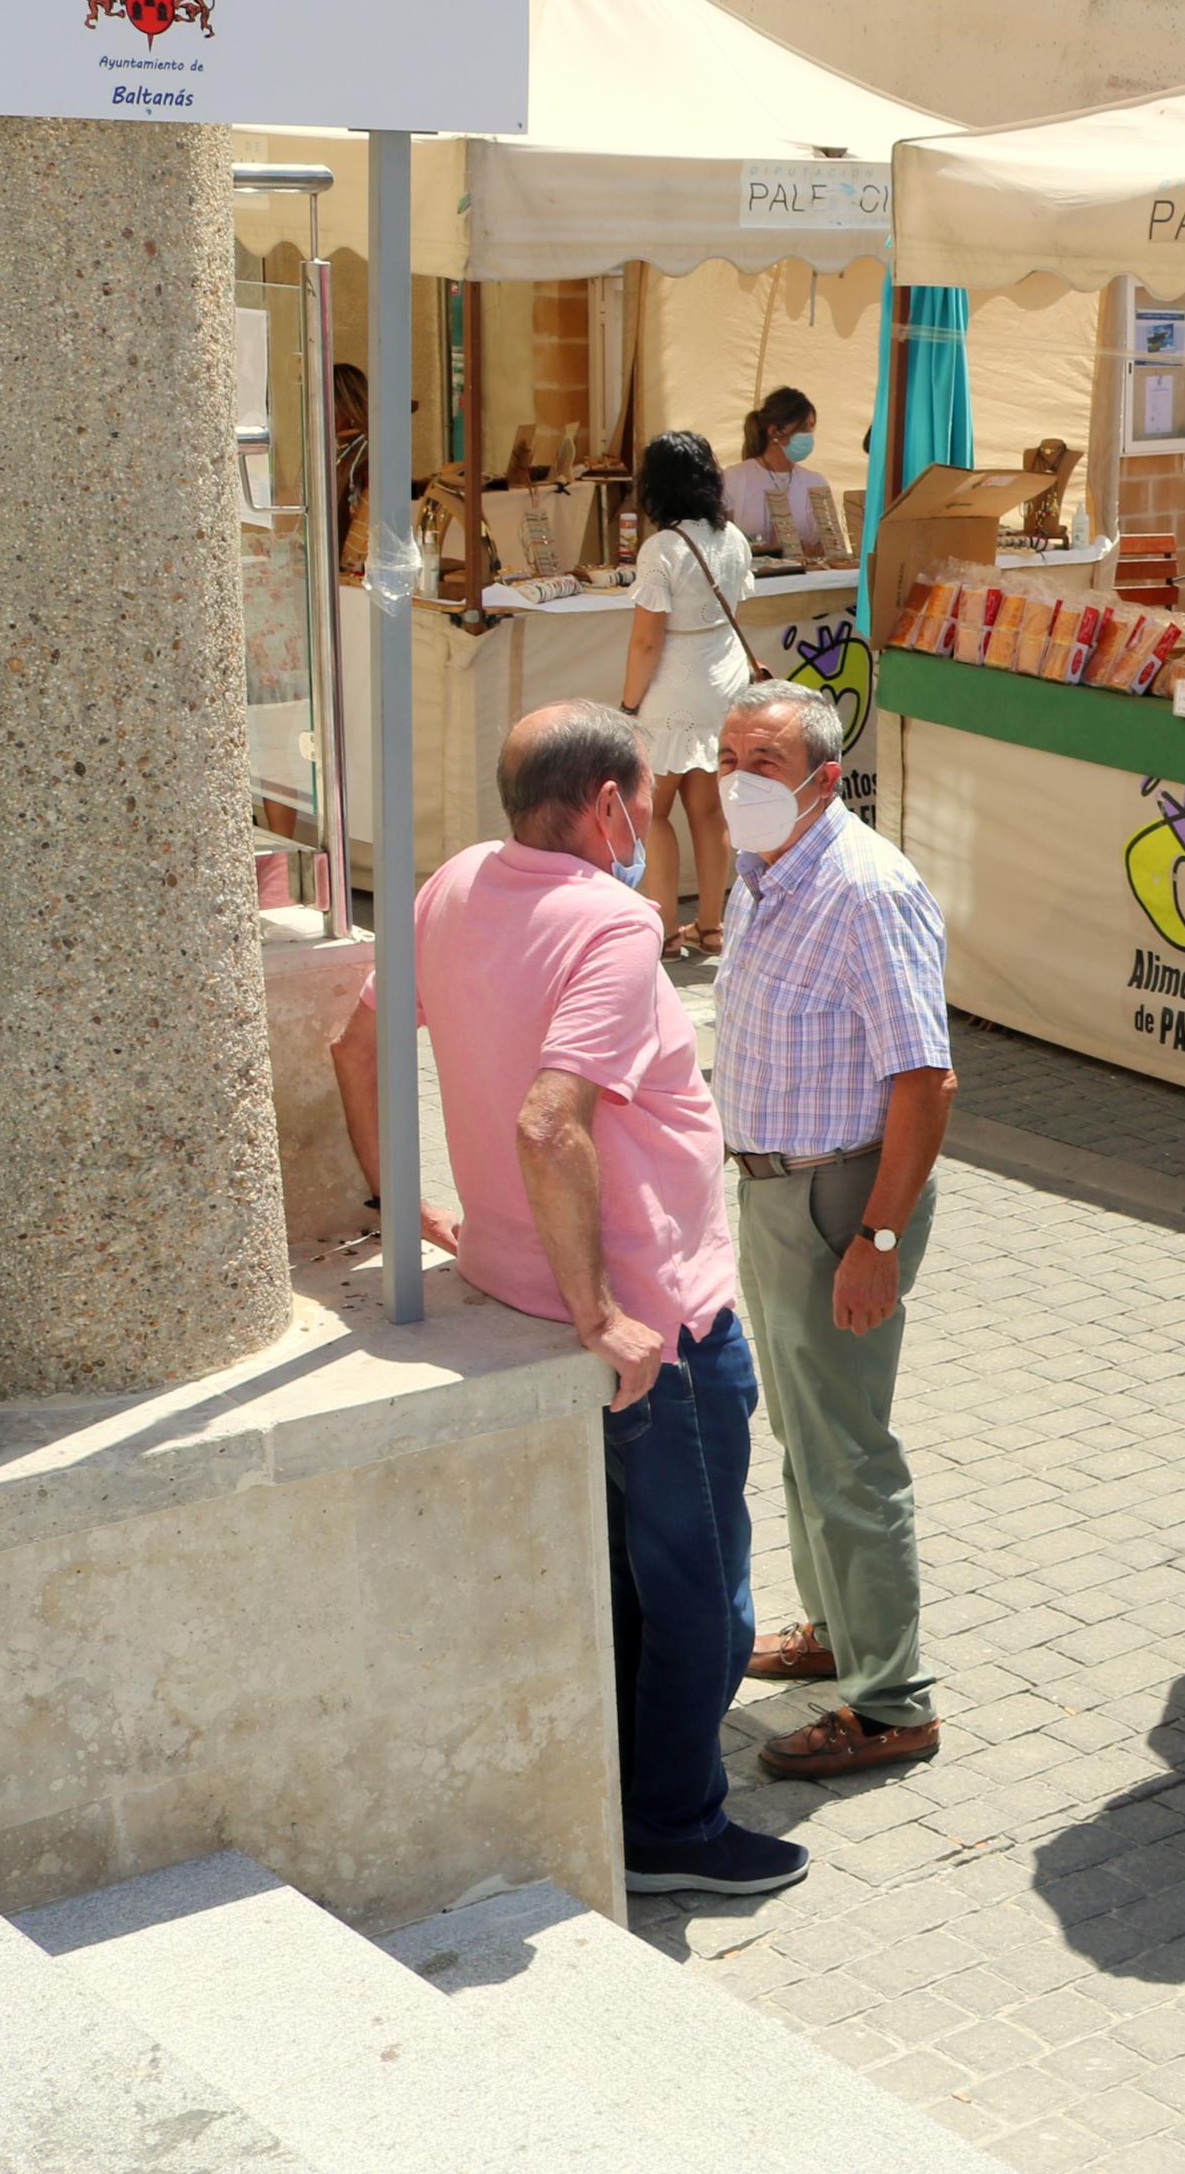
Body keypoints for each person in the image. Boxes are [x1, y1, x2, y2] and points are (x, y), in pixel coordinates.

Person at [331, 703, 800, 1898]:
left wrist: (408, 1210)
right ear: (605, 806)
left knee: (632, 1581)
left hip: (517, 1292)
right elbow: (552, 1120)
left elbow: (356, 1048)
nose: (650, 823)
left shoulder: (446, 889)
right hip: (656, 1324)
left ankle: (628, 1793)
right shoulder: (612, 923)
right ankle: (675, 1828)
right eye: (645, 802)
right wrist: (601, 1312)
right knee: (708, 1600)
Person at [712, 680, 954, 1782]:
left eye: (760, 763)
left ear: (821, 778)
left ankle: (890, 1699)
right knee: (802, 1437)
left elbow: (925, 1077)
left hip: (838, 1201)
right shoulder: (764, 871)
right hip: (774, 1190)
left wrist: (881, 1238)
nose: (735, 781)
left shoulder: (863, 887)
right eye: (727, 757)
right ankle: (834, 1629)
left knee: (847, 1451)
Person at [620, 430, 757, 960]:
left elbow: (646, 639)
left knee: (654, 812)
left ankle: (668, 930)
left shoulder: (662, 549)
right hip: (724, 686)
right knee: (711, 812)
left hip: (673, 689)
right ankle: (712, 925)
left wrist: (629, 704)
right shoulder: (734, 539)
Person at [723, 388, 841, 559]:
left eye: (811, 426)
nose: (808, 435)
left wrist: (817, 549)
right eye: (802, 427)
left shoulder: (815, 481)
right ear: (774, 432)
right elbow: (722, 541)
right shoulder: (735, 478)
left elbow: (830, 542)